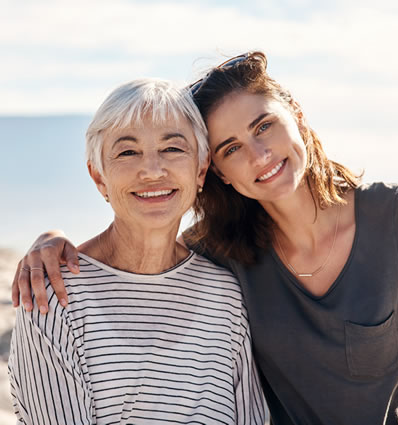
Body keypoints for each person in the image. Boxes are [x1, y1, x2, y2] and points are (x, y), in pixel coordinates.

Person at [12, 52, 398, 424]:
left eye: (264, 125)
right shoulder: (225, 255)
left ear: (296, 114)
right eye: (231, 148)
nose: (259, 154)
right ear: (216, 169)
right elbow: (140, 245)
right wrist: (50, 241)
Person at [8, 78, 265, 425]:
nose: (152, 170)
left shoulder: (226, 298)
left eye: (173, 149)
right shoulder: (53, 294)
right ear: (99, 178)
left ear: (201, 169)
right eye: (127, 152)